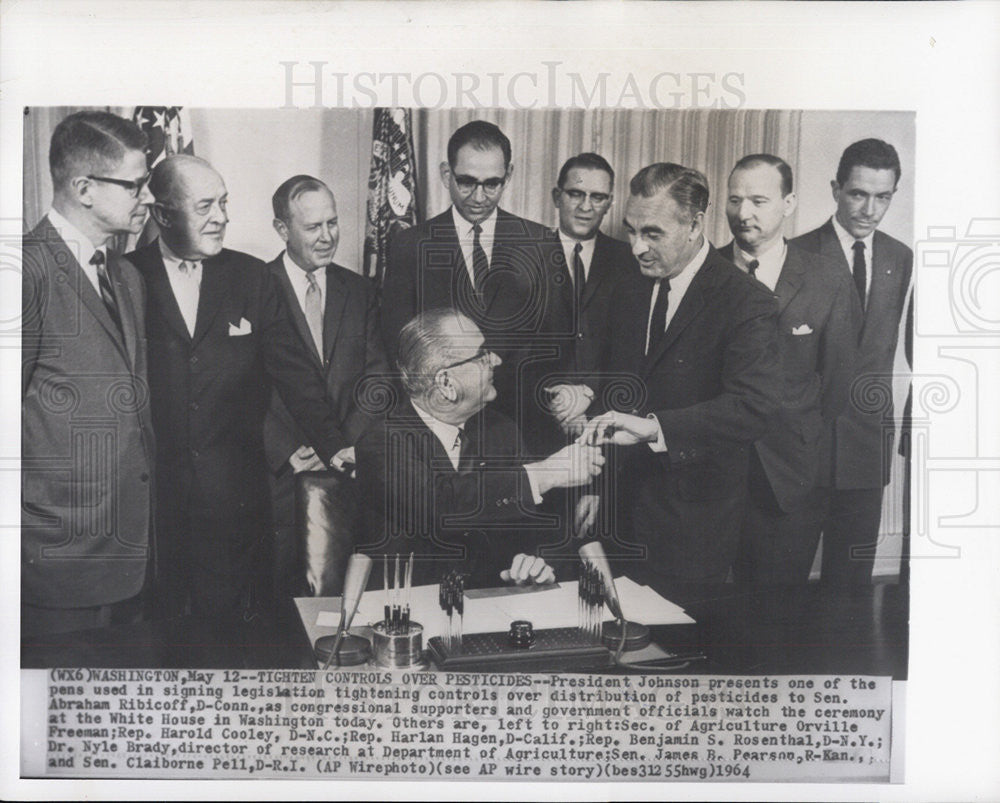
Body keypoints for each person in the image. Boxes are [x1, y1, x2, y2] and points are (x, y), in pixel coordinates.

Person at [126, 155, 349, 621]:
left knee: (234, 639)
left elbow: (296, 374)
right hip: (151, 512)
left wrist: (336, 444)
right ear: (163, 214)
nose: (222, 217)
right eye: (206, 205)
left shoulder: (251, 277)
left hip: (236, 508)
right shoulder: (126, 277)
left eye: (224, 203)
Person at [581, 163, 782, 585]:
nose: (636, 247)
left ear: (693, 225)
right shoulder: (625, 287)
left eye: (652, 233)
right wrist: (592, 486)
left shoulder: (747, 302)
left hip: (693, 527)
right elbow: (611, 391)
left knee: (678, 648)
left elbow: (751, 408)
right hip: (615, 518)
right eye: (631, 230)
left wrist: (654, 428)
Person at [22, 111, 156, 637]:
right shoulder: (25, 272)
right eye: (135, 185)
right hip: (57, 563)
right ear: (83, 188)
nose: (147, 198)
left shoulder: (124, 275)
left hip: (132, 559)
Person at [356, 309, 605, 587]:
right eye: (481, 354)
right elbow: (440, 507)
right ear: (446, 383)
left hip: (492, 610)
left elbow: (536, 527)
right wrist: (545, 473)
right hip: (409, 611)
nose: (496, 360)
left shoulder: (500, 430)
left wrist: (534, 563)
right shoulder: (382, 442)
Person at [380, 120, 566, 455]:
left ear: (508, 175)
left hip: (523, 431)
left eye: (492, 184)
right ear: (445, 174)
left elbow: (555, 343)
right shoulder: (409, 246)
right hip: (440, 434)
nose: (479, 197)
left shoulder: (540, 244)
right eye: (466, 182)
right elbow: (399, 348)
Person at [719, 154, 861, 583]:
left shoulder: (828, 279)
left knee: (775, 615)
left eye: (759, 200)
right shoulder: (705, 271)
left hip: (789, 480)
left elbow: (837, 384)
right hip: (710, 478)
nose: (744, 213)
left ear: (789, 203)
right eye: (734, 199)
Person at [792, 139, 912, 585]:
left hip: (867, 451)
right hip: (803, 452)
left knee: (851, 589)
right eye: (858, 193)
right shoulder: (795, 253)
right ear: (835, 188)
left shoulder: (900, 258)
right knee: (783, 589)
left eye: (883, 197)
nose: (869, 209)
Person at [264, 175, 389, 599]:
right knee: (281, 602)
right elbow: (241, 386)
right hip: (284, 474)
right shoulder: (254, 289)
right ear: (283, 230)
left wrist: (338, 446)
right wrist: (284, 448)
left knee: (346, 600)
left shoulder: (360, 290)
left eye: (333, 223)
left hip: (347, 471)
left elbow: (377, 377)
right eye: (313, 227)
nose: (327, 237)